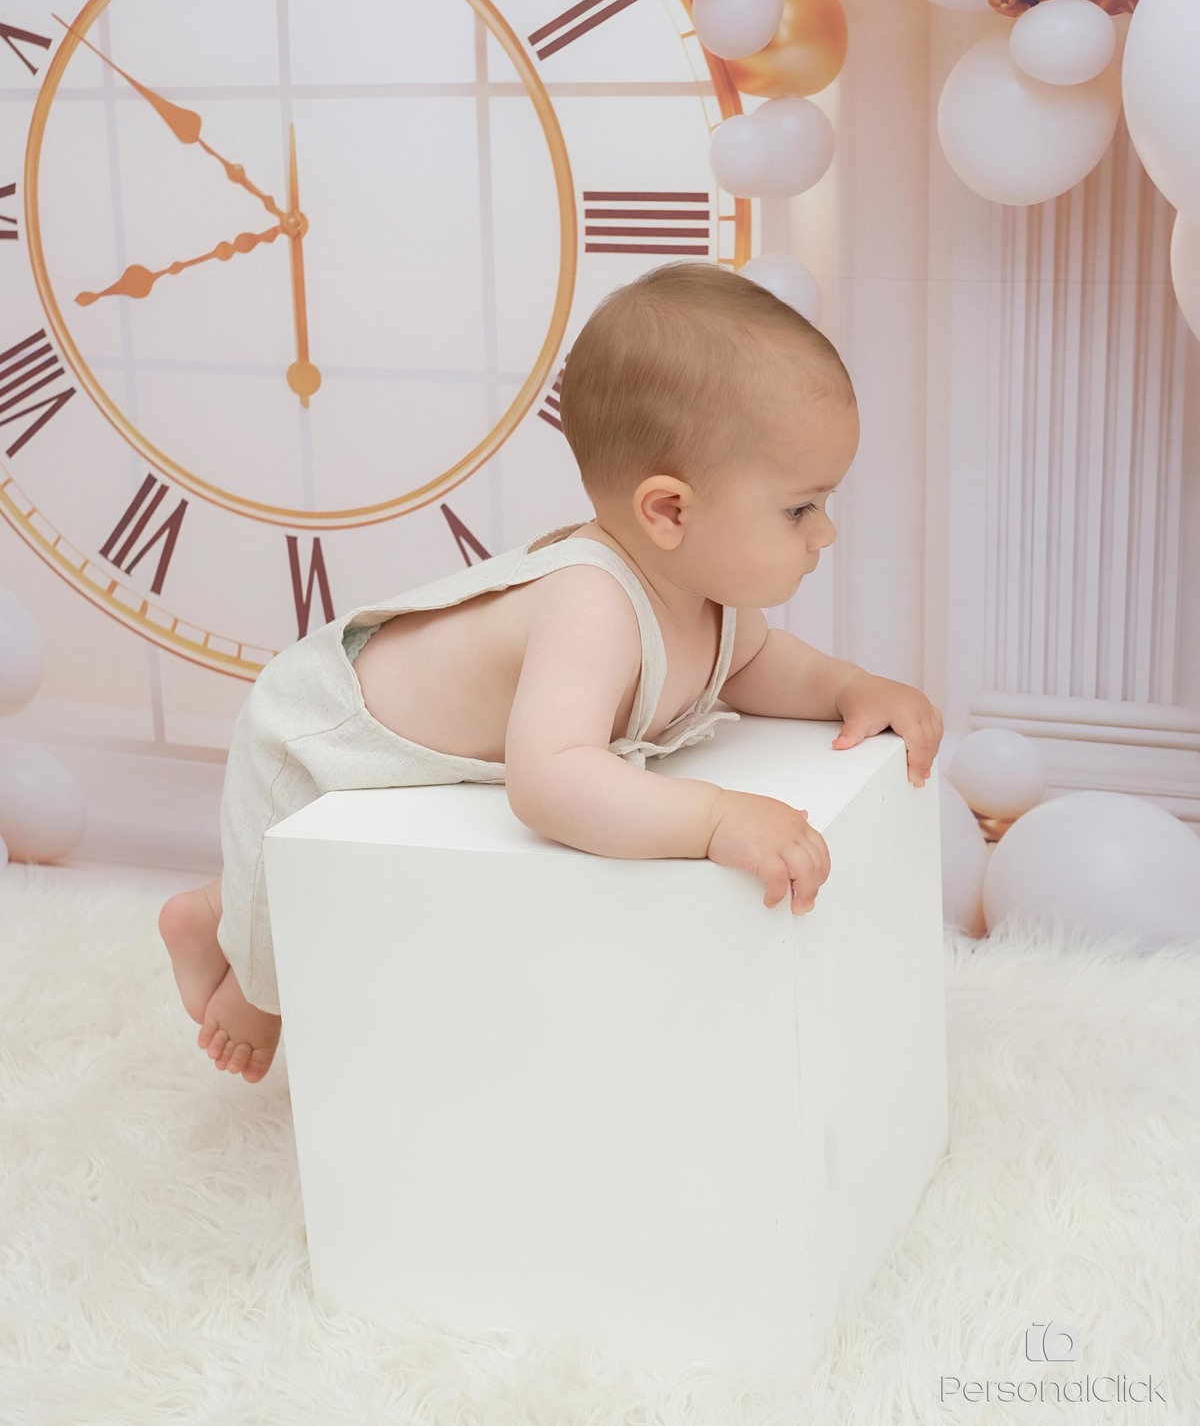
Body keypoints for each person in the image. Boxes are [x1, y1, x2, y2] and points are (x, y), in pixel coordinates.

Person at [158, 260, 943, 1085]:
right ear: (669, 511)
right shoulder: (592, 603)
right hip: (323, 731)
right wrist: (714, 818)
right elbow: (552, 781)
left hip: (400, 741)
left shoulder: (712, 597)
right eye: (800, 508)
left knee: (329, 890)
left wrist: (848, 688)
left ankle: (213, 906)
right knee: (282, 938)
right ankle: (233, 958)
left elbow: (758, 666)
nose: (825, 533)